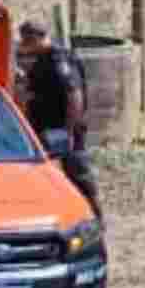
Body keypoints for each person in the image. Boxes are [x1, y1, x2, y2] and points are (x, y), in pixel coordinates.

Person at [17, 20, 105, 224]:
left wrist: (68, 130)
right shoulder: (43, 59)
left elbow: (74, 95)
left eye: (26, 41)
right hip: (48, 129)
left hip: (62, 130)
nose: (24, 46)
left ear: (36, 38)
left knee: (78, 173)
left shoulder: (58, 59)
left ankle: (95, 218)